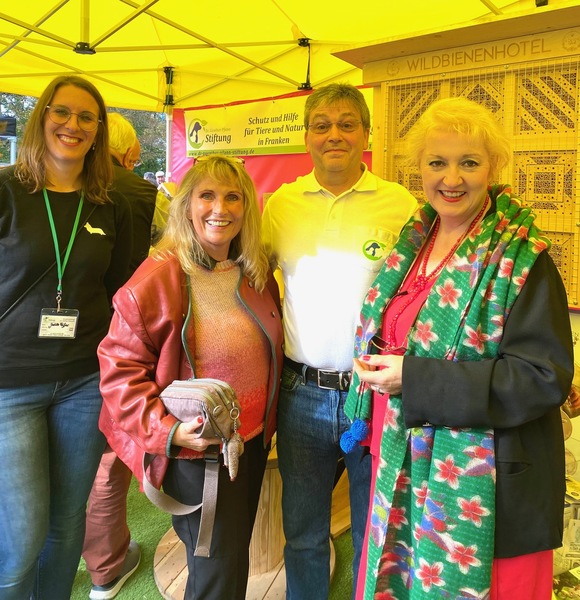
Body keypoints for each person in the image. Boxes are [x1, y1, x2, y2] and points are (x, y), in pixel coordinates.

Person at [343, 96, 574, 600]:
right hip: (399, 457)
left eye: (469, 161)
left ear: (493, 167)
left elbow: (542, 377)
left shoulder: (521, 259)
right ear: (418, 170)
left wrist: (414, 378)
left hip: (482, 483)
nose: (452, 177)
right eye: (437, 162)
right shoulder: (414, 241)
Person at [97, 155, 284, 600]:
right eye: (207, 195)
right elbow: (119, 371)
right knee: (216, 569)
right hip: (198, 454)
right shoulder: (160, 275)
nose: (220, 208)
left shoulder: (253, 272)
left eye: (232, 196)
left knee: (228, 555)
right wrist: (170, 431)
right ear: (186, 205)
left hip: (249, 444)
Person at [261, 83, 417, 599]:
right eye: (322, 124)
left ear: (366, 134)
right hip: (301, 392)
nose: (334, 134)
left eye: (347, 123)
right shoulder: (280, 205)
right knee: (303, 531)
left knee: (379, 528)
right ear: (306, 136)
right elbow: (252, 279)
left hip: (374, 394)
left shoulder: (401, 205)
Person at [0, 75, 132, 599]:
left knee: (65, 524)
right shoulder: (7, 189)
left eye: (86, 117)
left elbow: (119, 288)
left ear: (98, 131)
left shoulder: (108, 203)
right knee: (22, 536)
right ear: (42, 118)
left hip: (82, 381)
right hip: (10, 384)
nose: (72, 125)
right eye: (62, 112)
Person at [82, 112, 158, 600]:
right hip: (131, 342)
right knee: (108, 460)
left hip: (66, 345)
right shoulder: (148, 195)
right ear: (130, 153)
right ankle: (106, 569)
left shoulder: (63, 186)